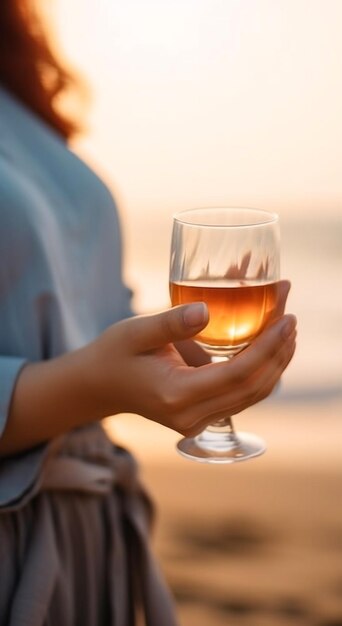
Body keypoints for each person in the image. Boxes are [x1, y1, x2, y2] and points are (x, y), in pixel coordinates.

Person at [0, 1, 297, 625]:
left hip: (85, 532)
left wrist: (169, 351)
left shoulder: (15, 70)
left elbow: (78, 298)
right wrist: (89, 385)